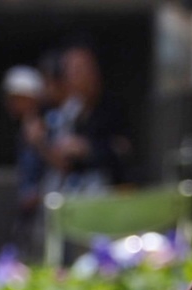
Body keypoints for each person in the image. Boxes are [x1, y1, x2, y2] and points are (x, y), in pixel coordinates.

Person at [44, 43, 132, 194]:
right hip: (74, 196)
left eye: (80, 69)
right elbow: (62, 160)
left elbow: (124, 151)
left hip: (109, 195)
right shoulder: (68, 112)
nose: (74, 76)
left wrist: (87, 149)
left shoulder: (112, 108)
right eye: (69, 70)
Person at [1, 65, 46, 256]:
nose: (10, 104)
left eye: (16, 98)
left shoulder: (46, 124)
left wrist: (37, 191)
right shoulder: (24, 127)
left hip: (44, 204)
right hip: (27, 204)